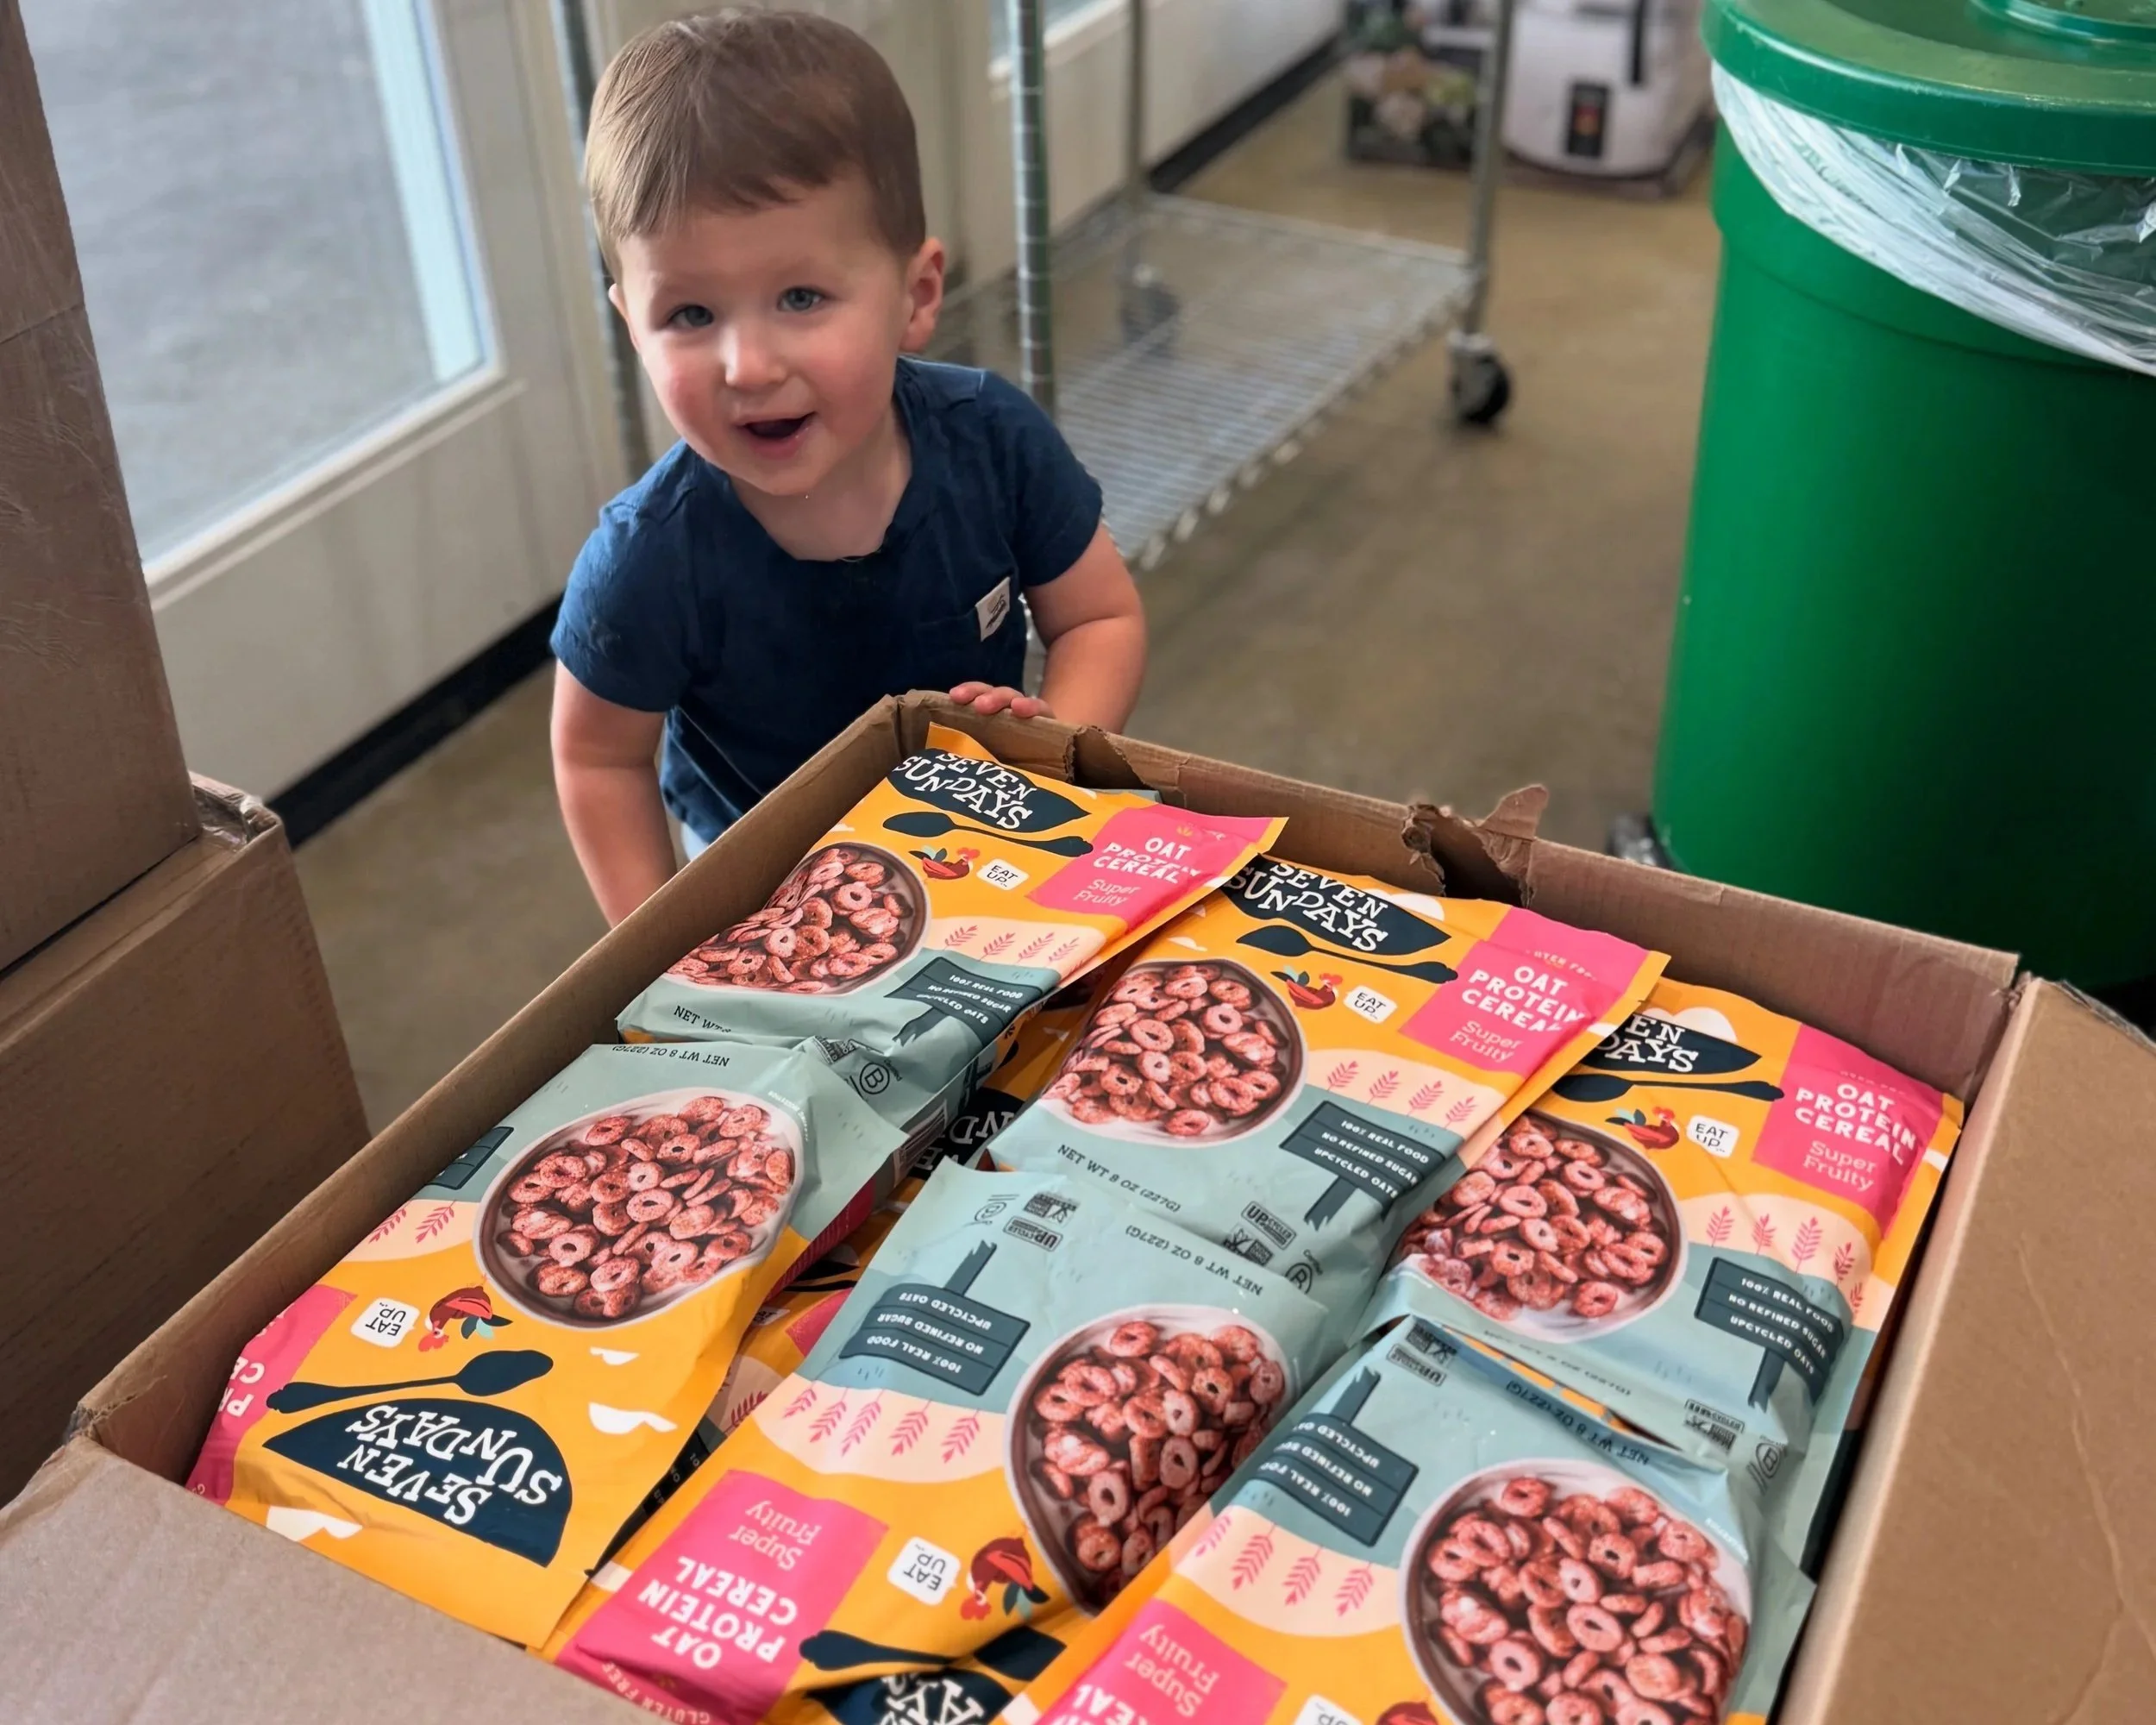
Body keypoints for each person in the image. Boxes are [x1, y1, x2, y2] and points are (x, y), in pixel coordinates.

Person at [551, 10, 1146, 924]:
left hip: (982, 832)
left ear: (916, 295)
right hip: (767, 882)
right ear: (633, 325)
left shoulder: (992, 443)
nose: (748, 366)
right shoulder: (648, 559)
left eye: (800, 297)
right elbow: (598, 757)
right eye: (690, 315)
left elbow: (1099, 617)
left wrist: (1055, 749)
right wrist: (663, 939)